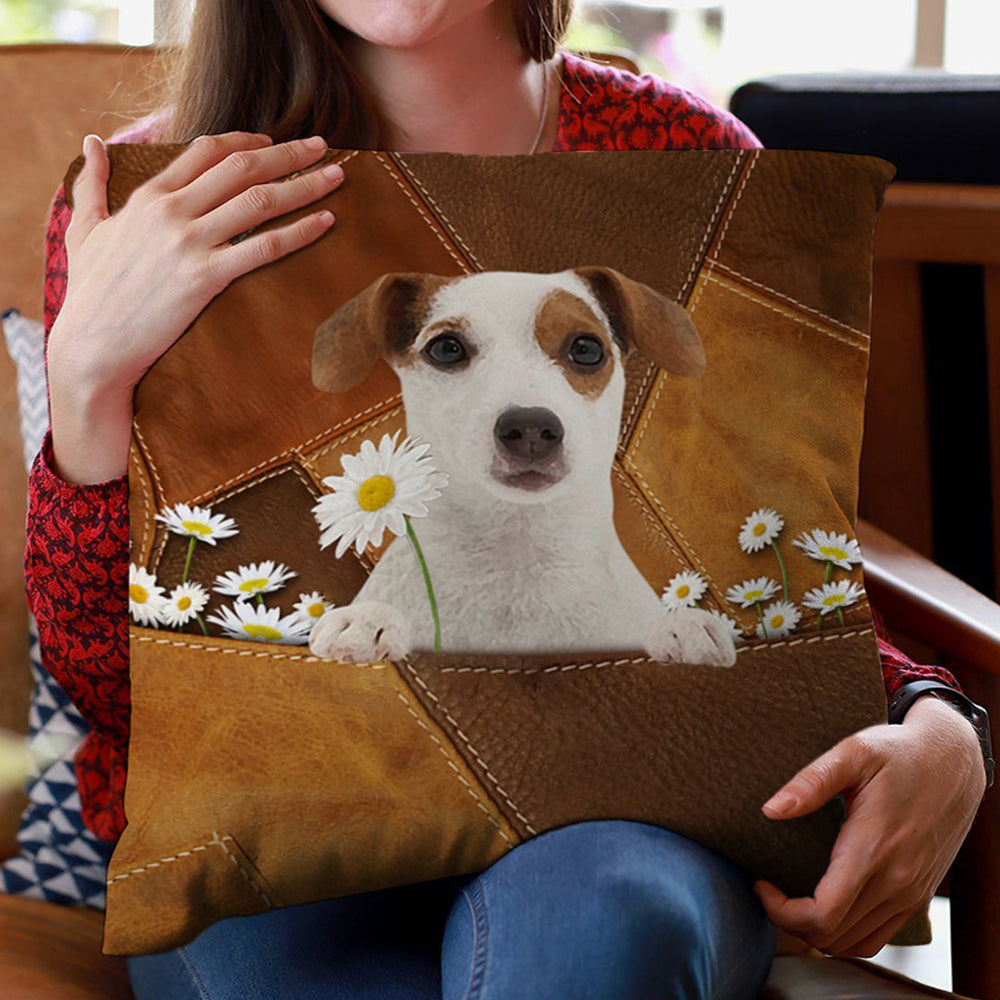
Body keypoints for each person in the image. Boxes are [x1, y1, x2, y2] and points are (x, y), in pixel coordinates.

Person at [24, 1, 987, 997]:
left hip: (622, 812)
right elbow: (106, 681)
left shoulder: (692, 168)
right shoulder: (156, 206)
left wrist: (935, 713)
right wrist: (87, 381)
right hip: (273, 812)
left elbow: (770, 551)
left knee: (601, 926)